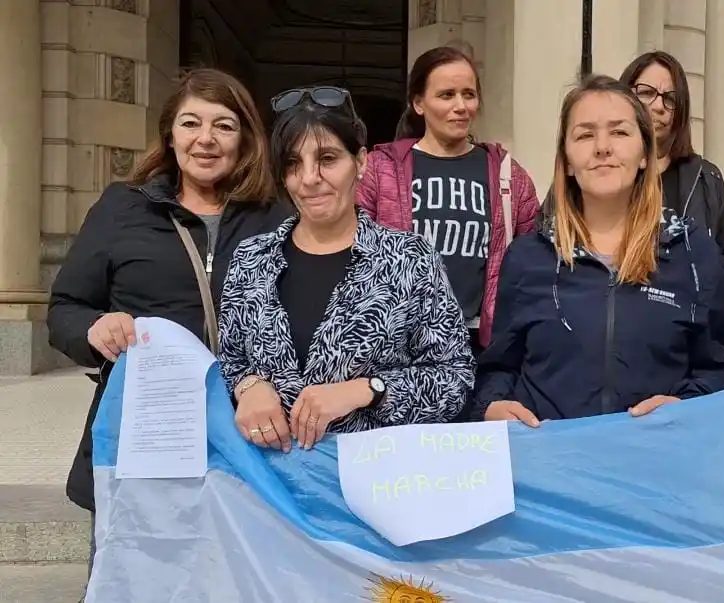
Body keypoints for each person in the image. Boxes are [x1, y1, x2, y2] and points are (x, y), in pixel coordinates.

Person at [46, 68, 288, 584]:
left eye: (224, 125)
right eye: (191, 122)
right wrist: (94, 329)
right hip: (144, 436)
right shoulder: (122, 208)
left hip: (246, 438)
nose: (206, 139)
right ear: (169, 134)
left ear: (245, 137)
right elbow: (65, 308)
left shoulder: (276, 216)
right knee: (134, 582)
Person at [472, 74, 724, 426]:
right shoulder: (528, 258)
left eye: (619, 132)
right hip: (551, 466)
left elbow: (721, 368)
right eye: (585, 134)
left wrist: (686, 404)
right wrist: (493, 404)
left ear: (645, 153)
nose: (602, 147)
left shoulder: (694, 254)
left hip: (654, 463)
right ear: (568, 161)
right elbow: (498, 367)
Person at [218, 88, 474, 450]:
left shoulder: (408, 260)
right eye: (293, 164)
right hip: (268, 485)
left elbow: (454, 379)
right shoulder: (251, 260)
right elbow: (229, 361)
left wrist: (368, 390)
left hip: (372, 484)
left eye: (327, 158)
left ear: (362, 161)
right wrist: (249, 387)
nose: (309, 178)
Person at [357, 45, 540, 362]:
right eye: (446, 95)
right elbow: (351, 255)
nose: (461, 106)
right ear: (418, 103)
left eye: (469, 94)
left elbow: (534, 263)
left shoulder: (508, 175)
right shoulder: (380, 168)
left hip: (480, 348)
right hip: (398, 345)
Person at [619, 51, 724, 312]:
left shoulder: (705, 178)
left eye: (670, 98)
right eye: (646, 92)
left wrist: (723, 303)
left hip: (688, 333)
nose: (658, 106)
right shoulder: (599, 170)